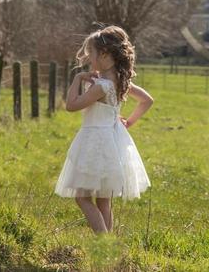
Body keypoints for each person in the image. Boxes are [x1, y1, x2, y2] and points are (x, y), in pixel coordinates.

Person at [54, 25, 154, 234]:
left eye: (92, 54)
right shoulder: (120, 81)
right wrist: (129, 122)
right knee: (103, 200)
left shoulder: (102, 86)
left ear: (105, 54)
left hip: (96, 141)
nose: (89, 59)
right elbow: (146, 100)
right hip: (112, 139)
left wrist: (78, 79)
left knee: (82, 197)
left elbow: (72, 105)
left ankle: (104, 241)